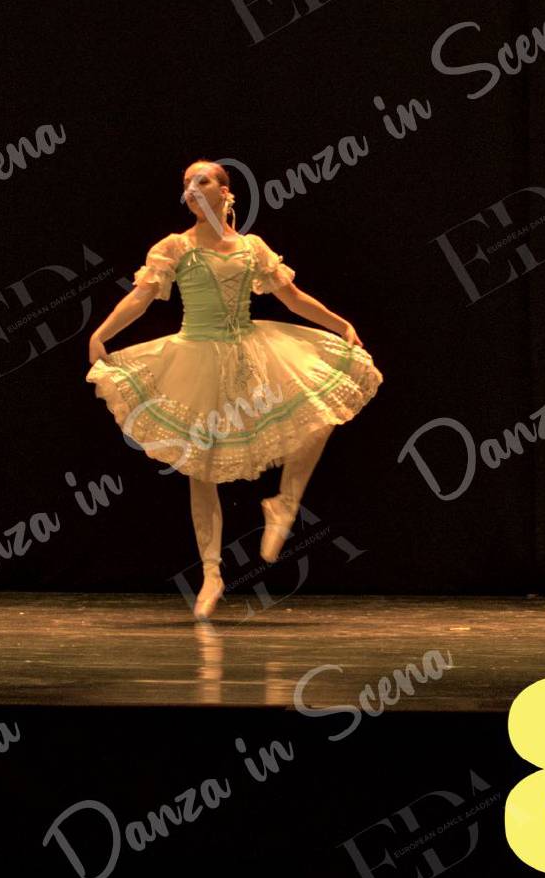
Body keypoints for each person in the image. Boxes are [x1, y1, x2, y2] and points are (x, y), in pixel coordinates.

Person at [85, 160, 383, 619]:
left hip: (252, 352)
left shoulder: (251, 248)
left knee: (318, 415)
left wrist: (340, 323)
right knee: (200, 465)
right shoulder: (176, 246)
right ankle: (211, 572)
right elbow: (141, 297)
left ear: (226, 192)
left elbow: (292, 297)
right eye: (186, 182)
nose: (191, 187)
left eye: (202, 180)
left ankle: (284, 503)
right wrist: (101, 334)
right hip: (196, 357)